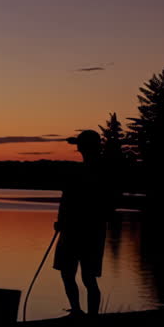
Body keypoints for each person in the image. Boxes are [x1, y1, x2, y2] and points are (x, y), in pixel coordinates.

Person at [53, 129, 116, 316]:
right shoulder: (82, 170)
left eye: (79, 144)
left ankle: (90, 315)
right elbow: (66, 199)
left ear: (88, 146)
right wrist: (61, 221)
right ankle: (78, 311)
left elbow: (105, 201)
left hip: (88, 231)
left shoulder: (100, 170)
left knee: (86, 277)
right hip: (77, 230)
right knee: (69, 273)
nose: (77, 147)